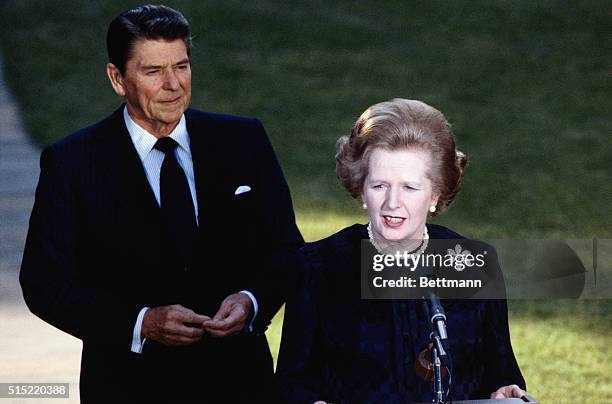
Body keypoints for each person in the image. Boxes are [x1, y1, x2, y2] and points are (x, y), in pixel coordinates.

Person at [20, 5, 302, 403]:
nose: (173, 85)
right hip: (128, 387)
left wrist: (251, 301)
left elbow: (288, 251)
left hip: (240, 383)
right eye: (153, 72)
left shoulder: (244, 141)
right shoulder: (73, 163)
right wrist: (142, 322)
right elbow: (45, 284)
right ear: (117, 79)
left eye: (181, 67)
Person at [276, 99, 526, 403]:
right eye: (380, 185)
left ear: (435, 194)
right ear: (361, 189)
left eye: (409, 188)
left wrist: (505, 391)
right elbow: (292, 383)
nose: (393, 203)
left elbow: (502, 372)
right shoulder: (318, 266)